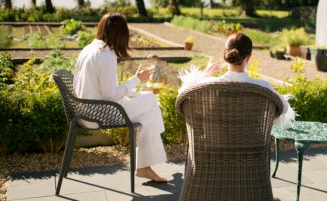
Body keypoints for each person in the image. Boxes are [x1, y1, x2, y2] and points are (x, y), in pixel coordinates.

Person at [73, 12, 168, 183]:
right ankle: (144, 166)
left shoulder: (89, 49)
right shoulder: (106, 56)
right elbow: (110, 95)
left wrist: (132, 88)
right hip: (98, 114)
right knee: (151, 104)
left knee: (147, 108)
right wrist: (136, 80)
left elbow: (103, 90)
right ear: (121, 34)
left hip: (85, 110)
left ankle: (145, 167)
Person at [178, 32, 296, 127]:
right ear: (248, 57)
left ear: (225, 55)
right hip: (253, 152)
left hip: (212, 151)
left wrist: (206, 72)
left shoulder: (207, 85)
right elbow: (284, 108)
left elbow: (182, 93)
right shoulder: (263, 87)